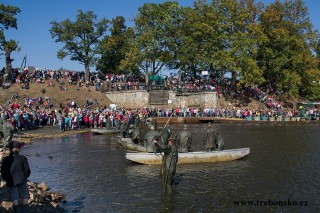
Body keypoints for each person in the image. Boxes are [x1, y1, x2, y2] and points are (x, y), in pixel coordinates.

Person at [1, 141, 31, 213]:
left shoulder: (5, 160)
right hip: (22, 180)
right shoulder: (23, 158)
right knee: (24, 196)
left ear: (10, 149)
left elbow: (3, 172)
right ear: (18, 149)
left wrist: (7, 179)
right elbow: (27, 170)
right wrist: (25, 177)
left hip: (11, 182)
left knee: (15, 198)